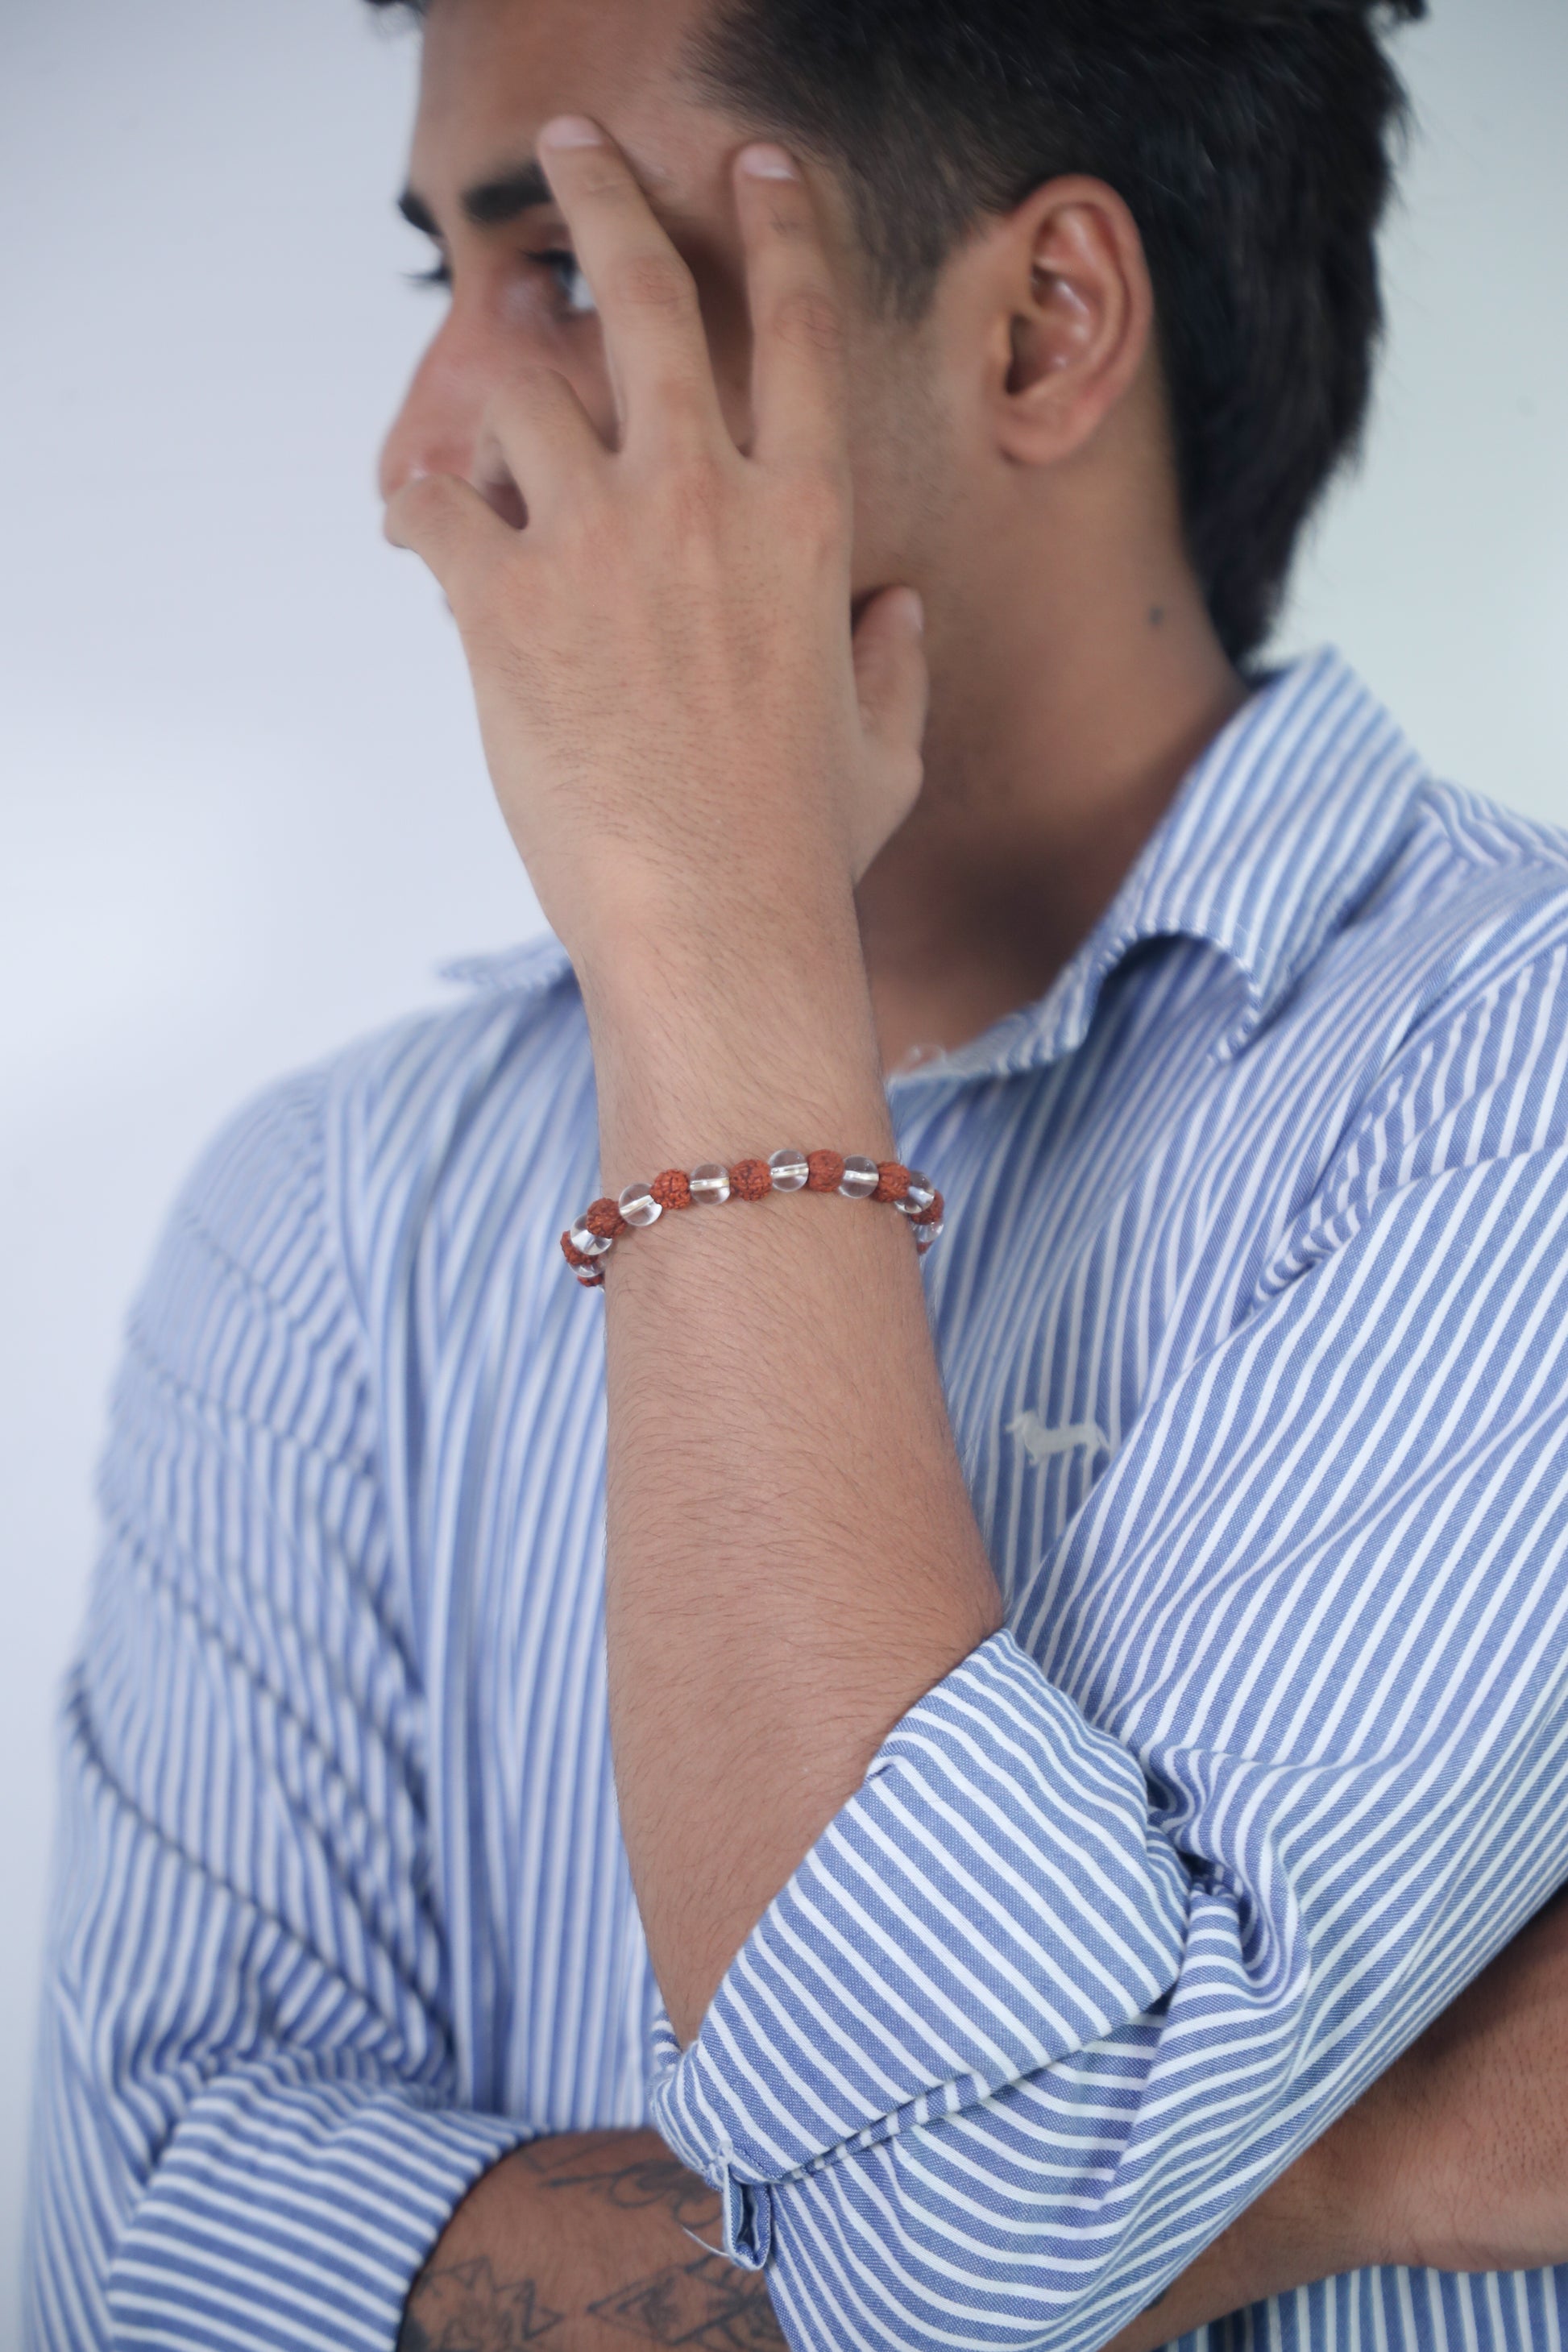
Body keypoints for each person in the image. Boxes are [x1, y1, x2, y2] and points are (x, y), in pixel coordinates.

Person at [22, 0, 1568, 2345]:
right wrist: (1325, 2151)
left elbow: (957, 2246)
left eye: (565, 270)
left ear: (1040, 329)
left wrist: (708, 936)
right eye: (438, 285)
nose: (417, 453)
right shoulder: (327, 1211)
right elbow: (127, 2243)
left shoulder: (1511, 1076)